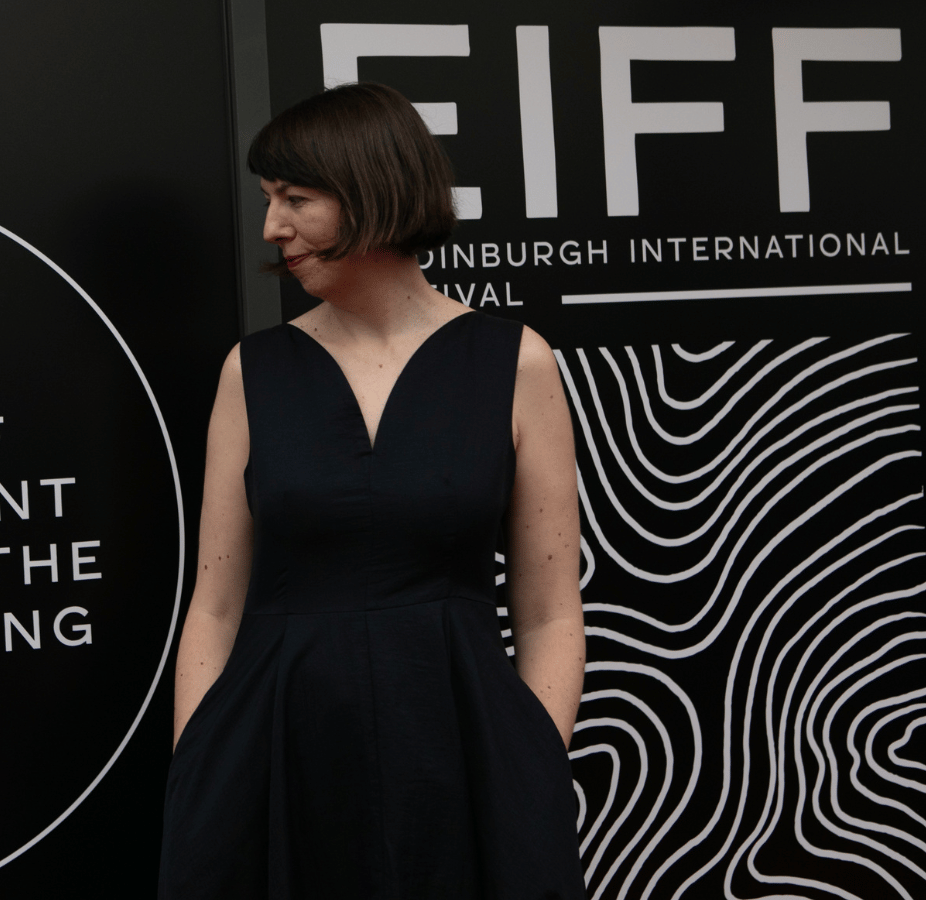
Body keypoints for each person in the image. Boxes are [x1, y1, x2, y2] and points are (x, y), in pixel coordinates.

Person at [158, 83, 587, 899]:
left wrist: (528, 756)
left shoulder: (517, 362)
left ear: (373, 189)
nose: (271, 227)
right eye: (267, 200)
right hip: (276, 752)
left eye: (296, 198)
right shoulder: (252, 373)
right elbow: (214, 606)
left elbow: (551, 611)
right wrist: (202, 761)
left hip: (464, 750)